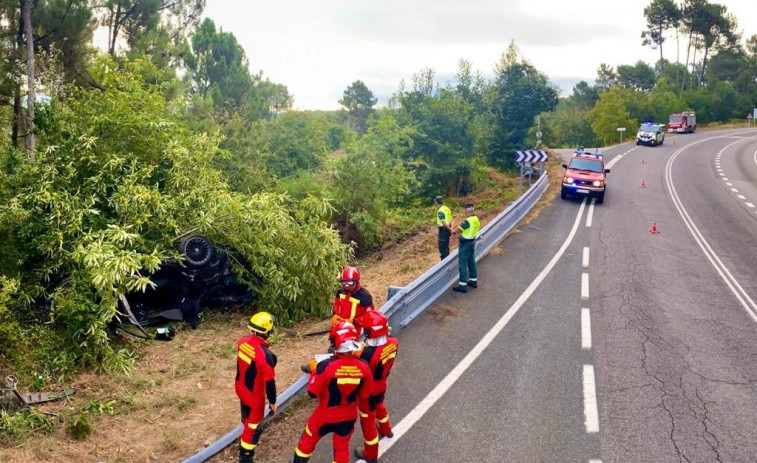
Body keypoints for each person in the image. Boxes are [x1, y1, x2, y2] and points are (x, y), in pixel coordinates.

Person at [292, 322, 373, 463]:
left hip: (324, 416)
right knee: (342, 449)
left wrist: (314, 371)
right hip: (348, 416)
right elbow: (366, 395)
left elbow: (312, 393)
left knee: (306, 443)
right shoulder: (364, 367)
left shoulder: (325, 366)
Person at [354, 310, 399, 463]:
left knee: (367, 421)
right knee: (380, 405)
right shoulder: (393, 342)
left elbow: (360, 373)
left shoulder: (367, 355)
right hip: (382, 384)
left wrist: (358, 354)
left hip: (368, 391)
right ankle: (387, 430)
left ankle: (370, 454)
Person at [235, 311, 278, 463]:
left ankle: (244, 428)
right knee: (253, 428)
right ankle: (245, 457)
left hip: (241, 388)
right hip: (255, 398)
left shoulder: (242, 342)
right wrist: (272, 402)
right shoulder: (265, 355)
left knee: (246, 418)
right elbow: (270, 383)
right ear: (267, 331)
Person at [333, 266, 374, 336]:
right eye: (344, 283)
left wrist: (354, 321)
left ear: (357, 281)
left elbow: (369, 317)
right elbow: (336, 305)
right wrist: (335, 315)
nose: (347, 286)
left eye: (350, 283)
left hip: (357, 330)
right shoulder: (341, 292)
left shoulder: (364, 296)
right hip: (341, 327)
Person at [453, 202, 480, 293]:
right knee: (471, 262)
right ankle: (473, 281)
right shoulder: (476, 219)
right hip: (472, 242)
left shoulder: (467, 221)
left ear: (466, 210)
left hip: (465, 244)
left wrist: (453, 230)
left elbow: (458, 230)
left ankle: (462, 286)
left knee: (462, 264)